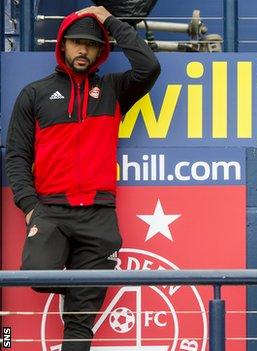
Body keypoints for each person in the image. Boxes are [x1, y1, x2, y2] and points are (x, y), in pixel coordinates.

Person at [5, 6, 160, 350]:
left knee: (81, 321)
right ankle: (80, 286)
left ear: (100, 50)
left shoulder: (114, 89)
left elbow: (149, 66)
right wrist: (30, 208)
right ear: (62, 45)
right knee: (37, 278)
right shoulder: (35, 93)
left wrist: (108, 19)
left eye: (91, 45)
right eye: (77, 42)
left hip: (99, 215)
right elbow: (16, 156)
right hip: (51, 211)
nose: (83, 51)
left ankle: (82, 295)